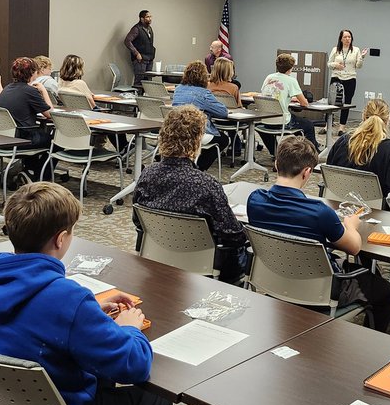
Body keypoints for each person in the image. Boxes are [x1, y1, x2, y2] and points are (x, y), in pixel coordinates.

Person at [0, 182, 171, 405]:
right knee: (157, 402)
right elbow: (134, 365)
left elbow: (32, 324)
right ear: (61, 239)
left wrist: (90, 314)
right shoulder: (66, 298)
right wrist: (130, 328)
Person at [247, 137, 390, 332]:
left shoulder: (255, 200)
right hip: (319, 290)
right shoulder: (319, 212)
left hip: (273, 279)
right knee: (386, 291)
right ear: (307, 172)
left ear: (276, 164)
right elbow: (354, 247)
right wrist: (351, 225)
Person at [133, 106, 247, 284]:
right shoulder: (207, 185)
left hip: (157, 256)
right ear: (197, 141)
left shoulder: (147, 175)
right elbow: (233, 235)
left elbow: (138, 220)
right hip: (202, 268)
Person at [324, 98, 390, 204]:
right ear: (388, 119)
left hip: (337, 206)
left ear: (363, 116)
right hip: (376, 214)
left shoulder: (342, 142)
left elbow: (329, 175)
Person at [0, 56, 54, 182]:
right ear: (33, 73)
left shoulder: (7, 88)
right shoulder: (29, 91)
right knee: (55, 142)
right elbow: (50, 114)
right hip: (21, 138)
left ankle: (29, 171)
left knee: (39, 134)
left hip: (5, 136)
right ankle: (39, 178)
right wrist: (44, 91)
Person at [170, 61, 230, 172]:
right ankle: (198, 169)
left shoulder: (178, 89)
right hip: (196, 132)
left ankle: (187, 165)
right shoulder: (203, 93)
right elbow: (223, 112)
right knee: (224, 140)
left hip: (176, 130)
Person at [258, 52, 317, 153]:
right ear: (291, 68)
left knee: (260, 128)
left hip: (265, 120)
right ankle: (313, 152)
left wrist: (289, 98)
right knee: (308, 125)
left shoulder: (269, 77)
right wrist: (299, 99)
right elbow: (304, 103)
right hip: (282, 121)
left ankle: (274, 152)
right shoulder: (291, 80)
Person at [328, 29, 367, 125]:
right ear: (341, 39)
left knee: (347, 102)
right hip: (336, 77)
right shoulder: (335, 49)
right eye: (345, 37)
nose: (347, 39)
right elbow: (329, 64)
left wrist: (362, 57)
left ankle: (342, 127)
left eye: (349, 37)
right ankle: (327, 125)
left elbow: (358, 66)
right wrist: (336, 65)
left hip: (350, 78)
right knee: (332, 101)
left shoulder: (356, 50)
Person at [124, 9, 155, 90]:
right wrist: (136, 53)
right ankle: (137, 100)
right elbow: (127, 41)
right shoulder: (136, 29)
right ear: (142, 19)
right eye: (147, 17)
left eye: (150, 16)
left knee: (148, 82)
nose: (150, 18)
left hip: (149, 59)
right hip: (140, 60)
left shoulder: (150, 29)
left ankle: (146, 100)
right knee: (139, 82)